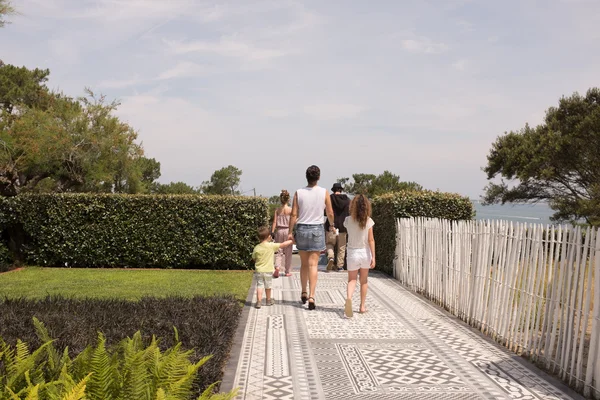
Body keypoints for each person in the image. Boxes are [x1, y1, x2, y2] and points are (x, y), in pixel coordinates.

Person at [288, 165, 335, 310]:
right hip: (316, 229)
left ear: (306, 177)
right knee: (313, 265)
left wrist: (290, 231)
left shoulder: (299, 192)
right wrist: (332, 225)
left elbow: (294, 214)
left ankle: (303, 291)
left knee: (303, 264)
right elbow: (330, 212)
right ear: (318, 177)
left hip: (302, 228)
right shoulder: (324, 192)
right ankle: (312, 296)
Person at [343, 194, 376, 317]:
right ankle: (362, 306)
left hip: (352, 253)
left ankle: (349, 298)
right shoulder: (368, 221)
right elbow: (371, 240)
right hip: (365, 253)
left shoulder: (348, 220)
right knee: (364, 280)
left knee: (352, 280)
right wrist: (373, 257)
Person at [252, 226, 293, 309]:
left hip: (259, 271)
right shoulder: (271, 246)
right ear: (269, 237)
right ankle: (268, 300)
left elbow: (254, 258)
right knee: (268, 286)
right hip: (268, 271)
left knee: (260, 285)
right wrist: (291, 241)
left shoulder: (256, 248)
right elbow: (282, 245)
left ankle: (259, 302)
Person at [325, 182, 350, 272]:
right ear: (341, 190)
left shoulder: (330, 199)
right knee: (341, 247)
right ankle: (340, 266)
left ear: (333, 190)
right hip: (343, 227)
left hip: (331, 226)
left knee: (329, 244)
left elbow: (326, 212)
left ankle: (331, 256)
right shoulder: (347, 200)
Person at [272, 189, 293, 277]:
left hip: (279, 230)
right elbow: (293, 221)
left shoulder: (277, 210)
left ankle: (277, 267)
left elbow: (274, 222)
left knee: (279, 250)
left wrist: (272, 232)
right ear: (288, 199)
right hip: (288, 230)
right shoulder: (290, 210)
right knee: (288, 252)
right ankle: (287, 271)